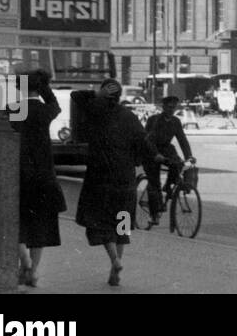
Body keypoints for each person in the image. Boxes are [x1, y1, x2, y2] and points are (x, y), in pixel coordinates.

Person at [72, 78, 168, 286]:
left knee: (103, 222)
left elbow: (76, 96)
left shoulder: (95, 112)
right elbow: (144, 141)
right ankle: (116, 268)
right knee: (122, 225)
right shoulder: (129, 116)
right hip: (125, 179)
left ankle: (114, 259)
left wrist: (99, 95)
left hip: (101, 179)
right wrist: (156, 155)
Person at [11, 70, 62, 287]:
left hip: (19, 175)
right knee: (40, 226)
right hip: (44, 175)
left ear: (19, 88)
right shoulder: (46, 110)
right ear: (39, 89)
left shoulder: (13, 110)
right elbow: (54, 102)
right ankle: (33, 272)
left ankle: (25, 262)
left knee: (17, 224)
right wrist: (44, 86)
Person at [142, 96, 195, 225]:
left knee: (179, 165)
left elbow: (182, 140)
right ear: (163, 107)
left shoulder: (176, 121)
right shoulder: (155, 120)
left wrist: (189, 157)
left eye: (174, 107)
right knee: (154, 183)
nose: (171, 110)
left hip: (166, 148)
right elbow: (148, 140)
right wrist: (156, 154)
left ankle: (169, 185)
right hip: (150, 151)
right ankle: (154, 215)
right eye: (169, 107)